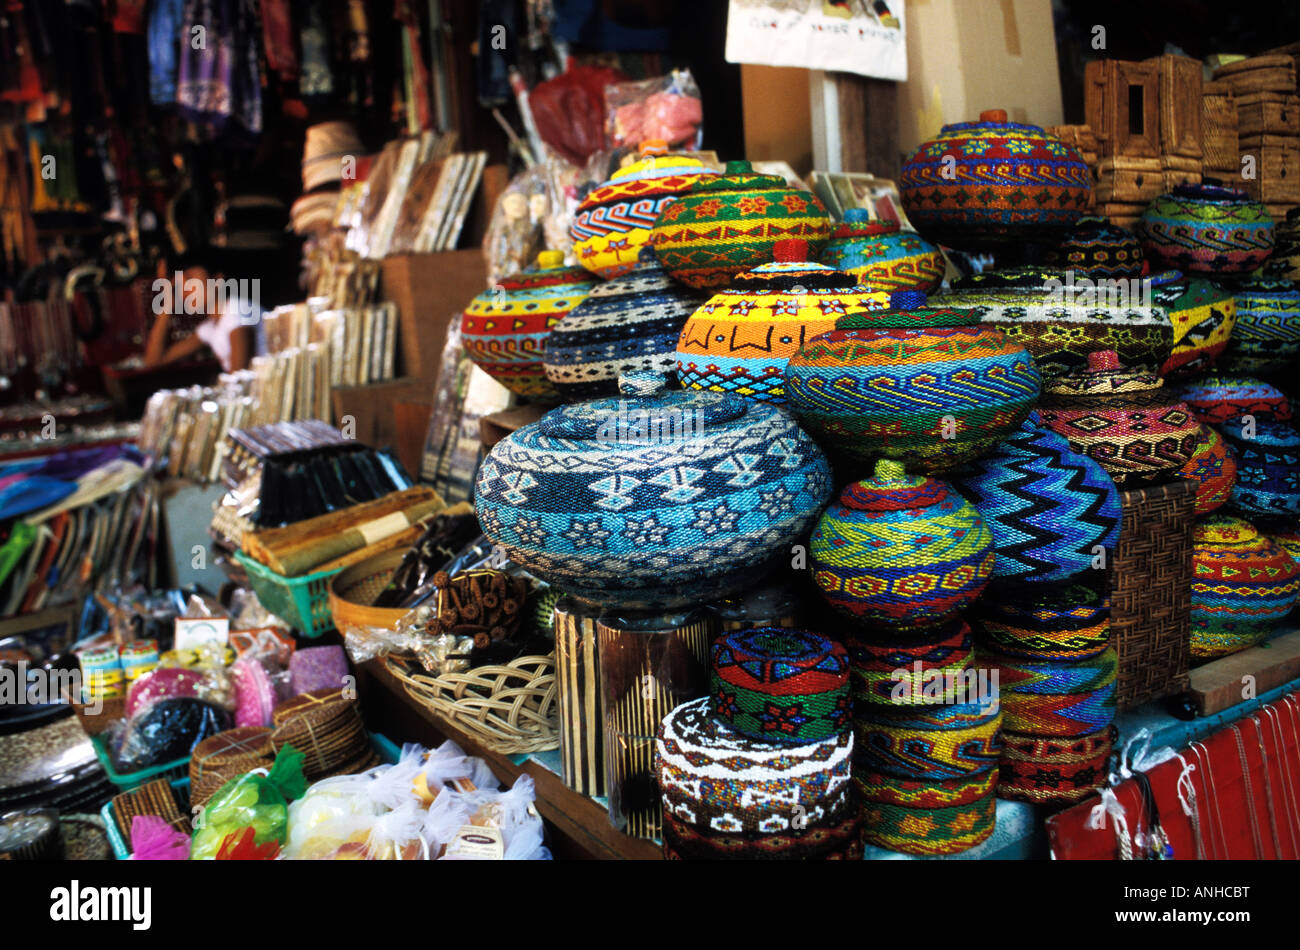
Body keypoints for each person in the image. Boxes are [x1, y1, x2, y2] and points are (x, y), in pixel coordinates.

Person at [143, 249, 260, 372]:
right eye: (179, 284)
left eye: (189, 279)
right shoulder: (211, 327)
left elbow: (239, 376)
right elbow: (154, 361)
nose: (185, 289)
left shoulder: (237, 310)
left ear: (217, 280)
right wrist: (167, 304)